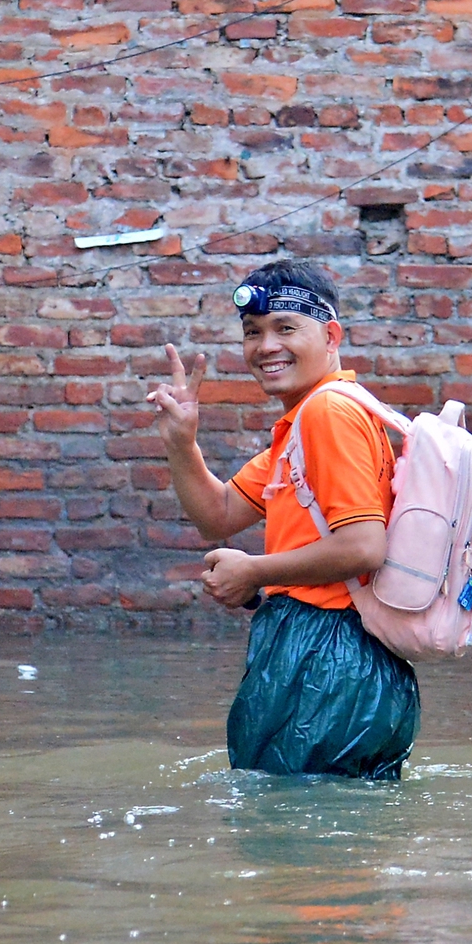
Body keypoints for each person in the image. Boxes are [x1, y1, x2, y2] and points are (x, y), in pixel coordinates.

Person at [145, 258, 420, 779]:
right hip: (342, 661)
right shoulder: (304, 421)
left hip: (326, 659)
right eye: (253, 333)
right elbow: (219, 516)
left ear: (331, 335)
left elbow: (364, 548)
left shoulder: (327, 414)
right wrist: (181, 442)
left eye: (286, 328)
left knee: (291, 836)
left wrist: (253, 572)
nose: (266, 346)